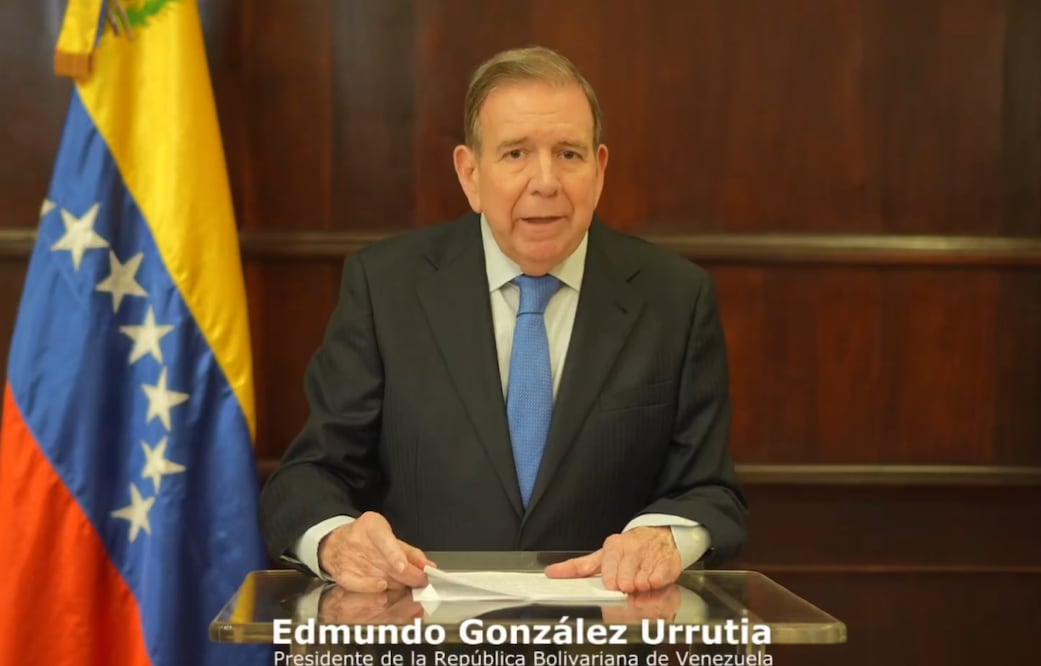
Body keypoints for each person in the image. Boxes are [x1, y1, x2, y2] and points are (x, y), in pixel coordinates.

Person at [259, 45, 748, 596]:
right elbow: (308, 476)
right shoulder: (386, 288)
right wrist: (336, 541)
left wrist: (663, 538)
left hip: (604, 640)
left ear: (600, 168)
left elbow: (710, 491)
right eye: (516, 154)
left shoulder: (674, 297)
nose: (545, 182)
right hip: (427, 636)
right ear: (470, 173)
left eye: (569, 154)